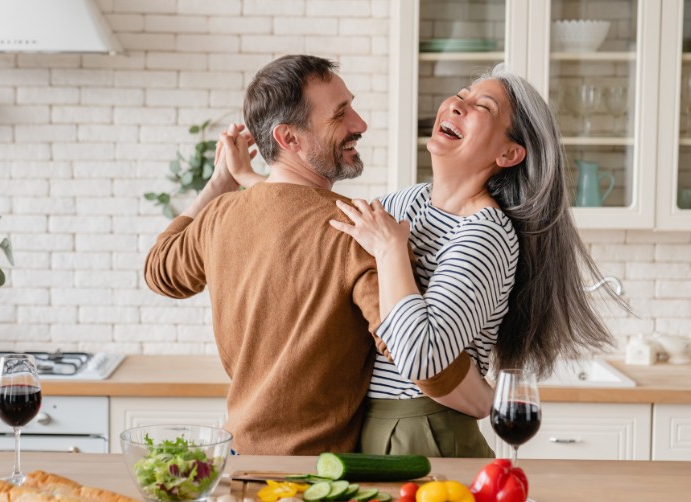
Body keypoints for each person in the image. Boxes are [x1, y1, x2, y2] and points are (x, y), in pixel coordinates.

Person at [144, 55, 482, 456]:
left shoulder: (220, 216)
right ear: (289, 139)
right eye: (340, 115)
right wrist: (492, 403)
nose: (360, 124)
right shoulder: (357, 231)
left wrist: (219, 183)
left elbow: (159, 270)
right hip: (315, 477)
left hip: (237, 460)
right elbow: (420, 358)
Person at [324, 63, 621, 455]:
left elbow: (422, 357)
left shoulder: (486, 234)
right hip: (369, 424)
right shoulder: (403, 202)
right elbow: (327, 234)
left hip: (426, 432)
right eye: (460, 95)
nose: (456, 105)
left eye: (482, 106)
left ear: (509, 152)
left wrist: (392, 250)